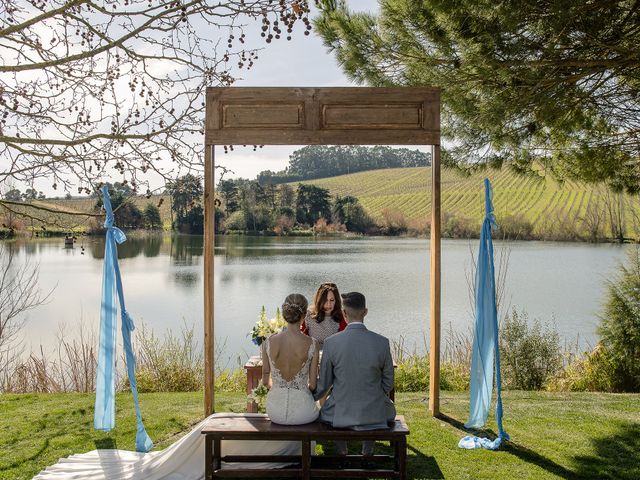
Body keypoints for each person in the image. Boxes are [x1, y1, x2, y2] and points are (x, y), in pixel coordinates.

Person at [313, 291, 396, 456]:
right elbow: (388, 382)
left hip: (340, 413)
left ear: (344, 313)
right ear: (365, 312)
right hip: (375, 413)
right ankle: (367, 450)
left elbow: (324, 384)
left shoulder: (331, 343)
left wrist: (308, 397)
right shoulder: (382, 342)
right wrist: (373, 396)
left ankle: (342, 450)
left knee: (326, 410)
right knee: (386, 409)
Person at [262, 293, 320, 425]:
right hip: (303, 413)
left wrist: (278, 388)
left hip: (275, 412)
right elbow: (313, 385)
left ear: (284, 314)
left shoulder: (268, 342)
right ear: (304, 315)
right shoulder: (312, 343)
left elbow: (265, 381)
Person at [301, 282, 347, 348]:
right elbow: (302, 339)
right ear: (319, 300)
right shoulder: (308, 315)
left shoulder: (342, 316)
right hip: (312, 355)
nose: (328, 304)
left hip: (333, 356)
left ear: (336, 301)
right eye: (325, 300)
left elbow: (344, 342)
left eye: (332, 300)